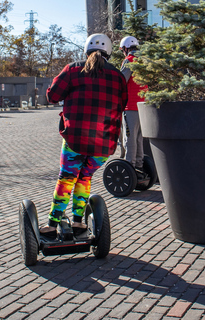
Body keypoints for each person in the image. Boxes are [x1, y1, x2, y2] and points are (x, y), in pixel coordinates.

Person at [40, 34, 128, 237]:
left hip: (76, 140)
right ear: (109, 52)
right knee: (85, 177)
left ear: (86, 50)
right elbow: (122, 104)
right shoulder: (117, 76)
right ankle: (79, 222)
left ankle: (53, 224)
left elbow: (52, 96)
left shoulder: (73, 69)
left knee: (67, 177)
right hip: (104, 144)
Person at [119, 36, 148, 179]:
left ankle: (130, 168)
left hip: (130, 106)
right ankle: (139, 166)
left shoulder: (129, 61)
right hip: (144, 106)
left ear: (126, 48)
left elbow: (121, 81)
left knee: (129, 139)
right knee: (138, 139)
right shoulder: (143, 61)